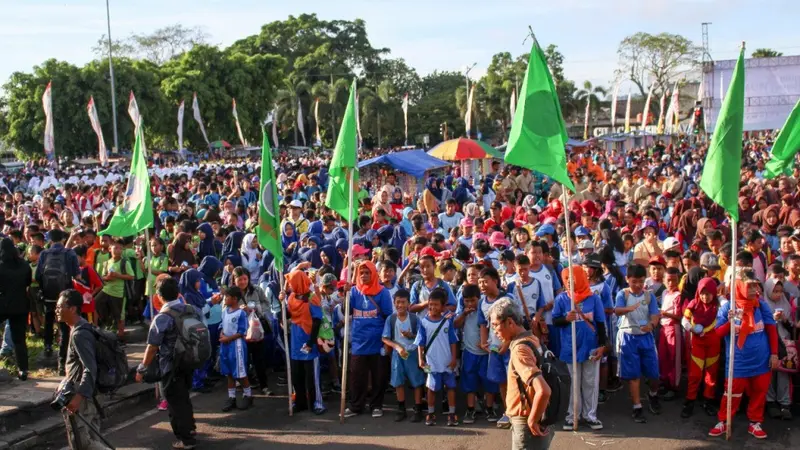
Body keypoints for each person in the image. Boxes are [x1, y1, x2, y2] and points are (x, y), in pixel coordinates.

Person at [709, 274, 779, 440]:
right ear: (739, 286)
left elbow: (771, 329)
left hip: (762, 360)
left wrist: (774, 354)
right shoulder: (728, 308)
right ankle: (724, 421)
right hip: (737, 363)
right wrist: (731, 322)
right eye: (750, 286)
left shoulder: (761, 305)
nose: (755, 290)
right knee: (731, 393)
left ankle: (755, 422)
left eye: (756, 286)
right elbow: (717, 333)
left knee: (759, 392)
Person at [136, 277, 199, 449]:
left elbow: (152, 346)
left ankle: (185, 439)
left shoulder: (163, 317)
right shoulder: (189, 309)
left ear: (159, 296)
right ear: (178, 293)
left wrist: (142, 368)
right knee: (184, 397)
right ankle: (190, 429)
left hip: (170, 365)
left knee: (174, 402)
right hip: (189, 359)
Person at [489, 297, 553, 450]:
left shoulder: (520, 350)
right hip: (541, 414)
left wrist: (532, 420)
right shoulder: (532, 339)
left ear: (510, 322)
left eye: (496, 325)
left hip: (526, 419)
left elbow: (543, 390)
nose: (494, 331)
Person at [55, 289, 111, 450]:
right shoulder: (80, 328)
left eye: (60, 307)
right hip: (88, 394)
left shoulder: (80, 334)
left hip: (84, 396)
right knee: (92, 438)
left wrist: (78, 398)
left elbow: (89, 368)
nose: (57, 310)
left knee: (83, 443)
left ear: (72, 308)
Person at [552, 266, 606, 431]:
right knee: (573, 383)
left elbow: (601, 323)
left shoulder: (593, 299)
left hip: (590, 347)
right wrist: (565, 318)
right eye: (567, 279)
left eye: (573, 278)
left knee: (590, 382)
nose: (569, 282)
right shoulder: (561, 299)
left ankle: (590, 416)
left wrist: (602, 346)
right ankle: (572, 416)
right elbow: (555, 321)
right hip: (570, 347)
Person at [344, 261, 393, 418]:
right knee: (357, 376)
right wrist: (345, 295)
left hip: (377, 342)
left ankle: (376, 405)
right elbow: (347, 311)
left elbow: (388, 316)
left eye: (367, 272)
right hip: (358, 341)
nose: (364, 276)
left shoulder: (383, 293)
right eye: (361, 273)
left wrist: (387, 341)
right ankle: (356, 406)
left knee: (379, 375)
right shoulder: (353, 292)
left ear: (373, 273)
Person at [614, 263, 661, 423]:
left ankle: (653, 394)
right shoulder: (623, 294)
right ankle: (637, 406)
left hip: (646, 336)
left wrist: (652, 325)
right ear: (627, 280)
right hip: (628, 337)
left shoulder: (649, 296)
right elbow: (617, 310)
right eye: (634, 281)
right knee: (634, 376)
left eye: (641, 281)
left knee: (654, 373)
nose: (638, 285)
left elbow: (655, 314)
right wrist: (629, 308)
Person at [36, 228, 80, 374]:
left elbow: (38, 275)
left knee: (49, 319)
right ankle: (62, 363)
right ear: (62, 239)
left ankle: (48, 346)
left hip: (48, 295)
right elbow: (76, 275)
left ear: (50, 240)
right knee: (64, 327)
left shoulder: (44, 253)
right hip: (64, 294)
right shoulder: (70, 253)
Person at [415, 288, 459, 426]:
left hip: (447, 362)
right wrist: (420, 359)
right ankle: (431, 413)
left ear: (443, 306)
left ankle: (452, 414)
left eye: (436, 304)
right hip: (431, 362)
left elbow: (453, 341)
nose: (433, 307)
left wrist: (453, 359)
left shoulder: (447, 321)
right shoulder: (423, 322)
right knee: (431, 388)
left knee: (450, 387)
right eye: (430, 304)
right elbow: (420, 343)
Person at [284, 269, 326, 415]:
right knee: (297, 375)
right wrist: (281, 301)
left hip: (308, 341)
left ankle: (317, 403)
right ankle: (299, 402)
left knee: (312, 377)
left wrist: (311, 342)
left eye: (291, 282)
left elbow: (317, 321)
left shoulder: (312, 298)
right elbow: (286, 315)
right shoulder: (291, 298)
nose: (289, 285)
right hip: (295, 342)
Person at [382, 289, 425, 422]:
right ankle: (401, 409)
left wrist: (410, 335)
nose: (400, 305)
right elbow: (385, 338)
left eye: (403, 302)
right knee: (398, 381)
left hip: (412, 353)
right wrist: (397, 347)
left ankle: (418, 409)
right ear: (394, 303)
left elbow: (421, 336)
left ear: (409, 304)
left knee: (417, 381)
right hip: (397, 354)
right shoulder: (391, 319)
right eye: (397, 302)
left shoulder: (414, 318)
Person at [680, 276, 720, 418]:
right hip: (697, 344)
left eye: (708, 293)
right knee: (694, 375)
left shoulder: (720, 304)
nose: (705, 296)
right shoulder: (694, 303)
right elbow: (684, 319)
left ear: (713, 293)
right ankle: (690, 401)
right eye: (702, 293)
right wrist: (691, 328)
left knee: (711, 375)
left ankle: (708, 401)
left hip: (714, 344)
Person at [0, 237, 33, 380]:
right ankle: (23, 370)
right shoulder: (24, 265)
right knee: (19, 339)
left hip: (2, 304)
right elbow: (27, 282)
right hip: (20, 304)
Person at [217, 286, 253, 412]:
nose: (225, 299)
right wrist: (222, 333)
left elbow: (242, 332)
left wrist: (228, 338)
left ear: (235, 299)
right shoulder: (225, 311)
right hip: (225, 345)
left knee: (240, 372)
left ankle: (248, 394)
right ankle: (231, 397)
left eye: (227, 297)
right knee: (229, 372)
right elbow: (222, 324)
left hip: (236, 345)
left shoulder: (240, 313)